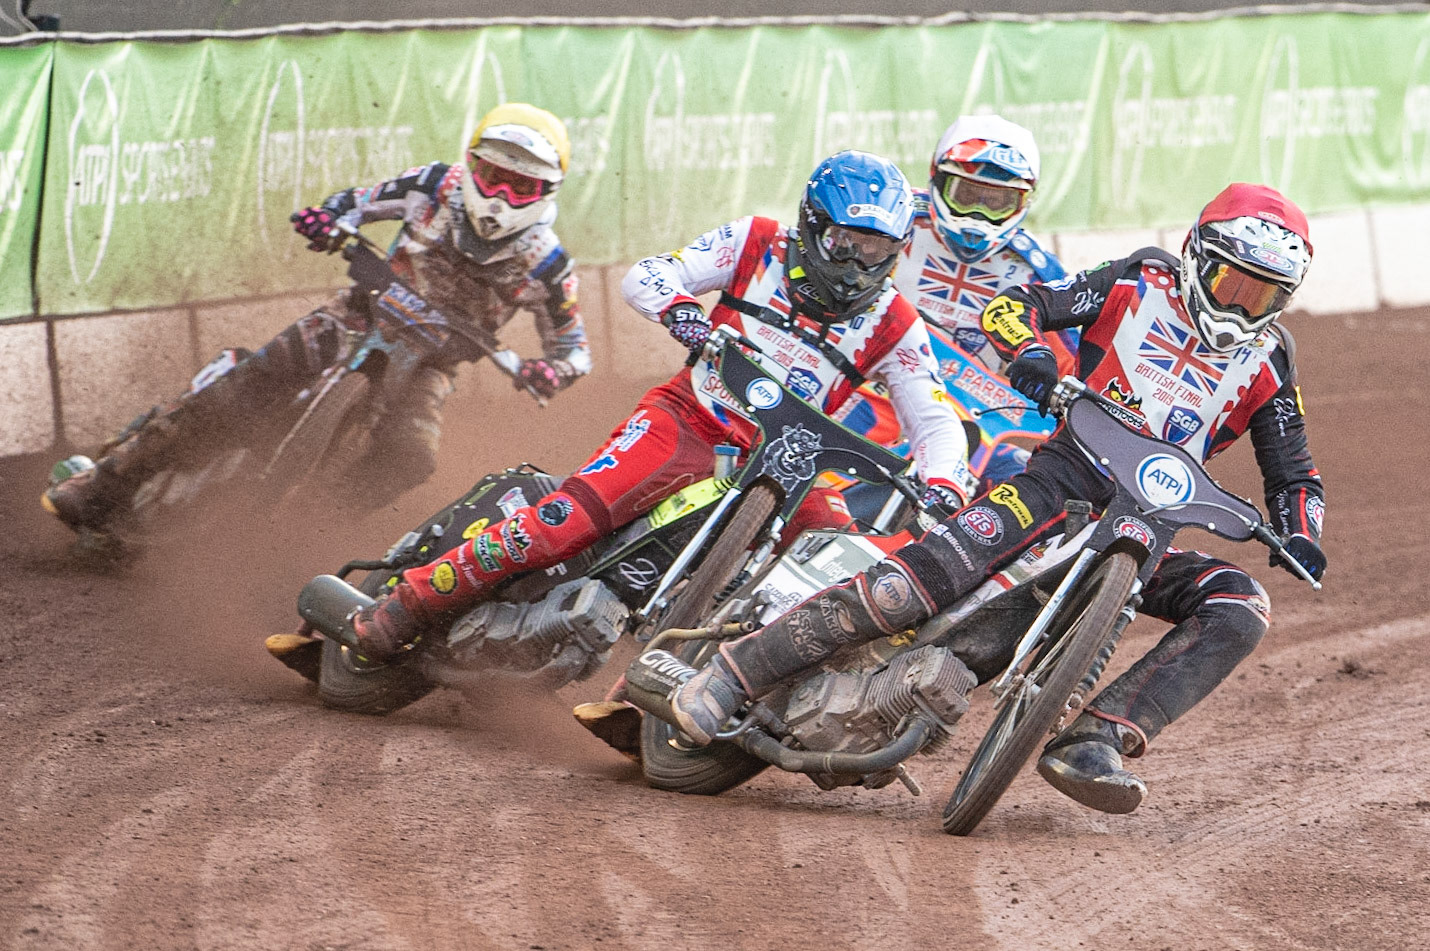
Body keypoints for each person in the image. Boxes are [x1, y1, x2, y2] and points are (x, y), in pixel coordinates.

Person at [670, 182, 1327, 816]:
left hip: (1147, 529)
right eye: (1231, 283)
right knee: (908, 590)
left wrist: (1301, 531)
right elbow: (1015, 307)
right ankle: (735, 673)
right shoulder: (1139, 281)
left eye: (1263, 294)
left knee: (1240, 604)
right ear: (1197, 255)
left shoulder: (1271, 361)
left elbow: (1294, 472)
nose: (1242, 307)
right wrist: (1031, 355)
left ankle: (1097, 738)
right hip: (1060, 481)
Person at [342, 150, 977, 662]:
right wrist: (683, 313)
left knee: (840, 574)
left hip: (791, 468)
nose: (858, 263)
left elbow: (935, 419)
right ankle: (409, 602)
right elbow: (648, 275)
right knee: (564, 524)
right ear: (812, 225)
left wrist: (945, 484)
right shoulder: (756, 241)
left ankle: (744, 697)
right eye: (845, 242)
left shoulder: (897, 322)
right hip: (691, 420)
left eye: (877, 250)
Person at [43, 102, 590, 536]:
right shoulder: (433, 186)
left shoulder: (547, 263)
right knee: (247, 384)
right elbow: (356, 201)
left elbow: (574, 349)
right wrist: (327, 219)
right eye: (492, 176)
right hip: (356, 315)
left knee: (410, 459)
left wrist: (549, 371)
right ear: (471, 165)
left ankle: (302, 537)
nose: (500, 196)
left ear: (546, 194)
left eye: (520, 186)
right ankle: (105, 484)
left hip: (432, 364)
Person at [834, 114, 1074, 505]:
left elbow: (1072, 369)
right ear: (938, 179)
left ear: (1023, 202)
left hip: (974, 419)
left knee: (1037, 487)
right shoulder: (893, 220)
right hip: (871, 384)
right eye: (967, 195)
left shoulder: (1037, 272)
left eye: (996, 202)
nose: (978, 215)